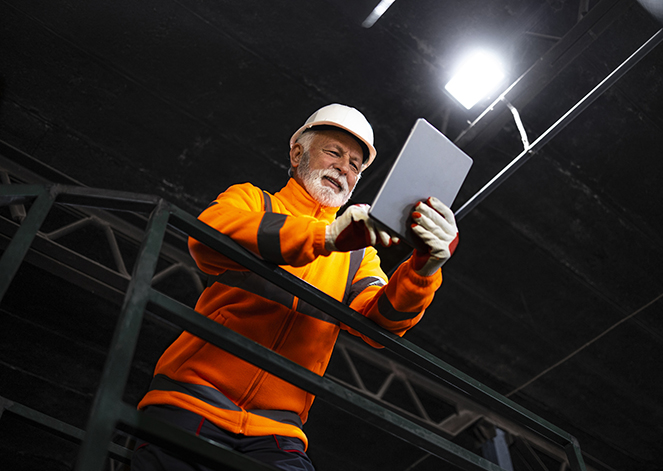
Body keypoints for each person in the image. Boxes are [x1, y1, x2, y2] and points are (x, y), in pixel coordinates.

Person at [131, 104, 459, 470]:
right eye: (333, 152)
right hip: (192, 401)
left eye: (354, 164)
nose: (343, 168)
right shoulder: (255, 201)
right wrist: (326, 236)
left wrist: (425, 266)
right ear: (297, 152)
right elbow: (207, 237)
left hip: (278, 433)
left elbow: (381, 323)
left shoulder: (358, 256)